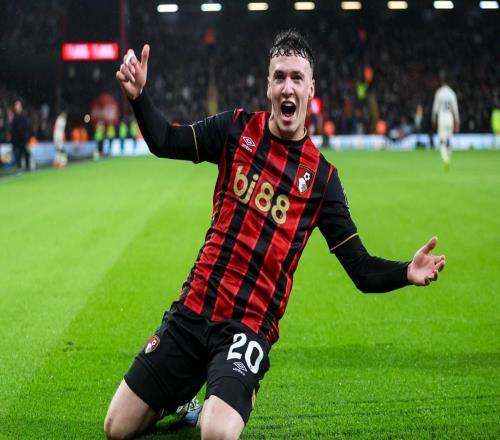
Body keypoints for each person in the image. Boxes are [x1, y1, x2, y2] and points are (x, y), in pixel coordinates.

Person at [105, 30, 446, 440]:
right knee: (116, 428)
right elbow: (164, 140)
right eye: (280, 76)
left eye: (297, 78)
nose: (288, 87)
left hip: (246, 326)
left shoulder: (322, 179)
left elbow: (361, 269)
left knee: (216, 433)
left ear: (311, 89)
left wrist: (407, 271)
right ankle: (177, 398)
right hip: (194, 307)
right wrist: (139, 98)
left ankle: (234, 391)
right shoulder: (235, 129)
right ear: (268, 85)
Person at [431, 73, 459, 169]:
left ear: (442, 81)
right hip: (450, 118)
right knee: (448, 139)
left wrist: (433, 120)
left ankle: (445, 159)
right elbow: (455, 109)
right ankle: (449, 157)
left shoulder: (439, 93)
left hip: (442, 117)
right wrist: (457, 122)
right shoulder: (452, 93)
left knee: (442, 141)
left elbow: (435, 109)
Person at [10, 99, 30, 172]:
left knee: (26, 153)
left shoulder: (24, 116)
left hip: (24, 139)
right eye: (16, 105)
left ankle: (27, 167)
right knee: (18, 154)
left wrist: (27, 137)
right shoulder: (14, 117)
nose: (18, 106)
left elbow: (27, 127)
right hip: (17, 140)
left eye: (19, 105)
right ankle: (19, 167)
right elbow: (13, 129)